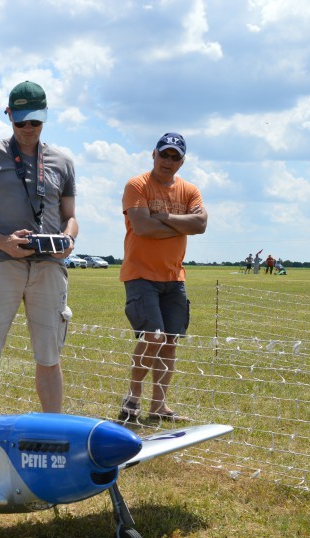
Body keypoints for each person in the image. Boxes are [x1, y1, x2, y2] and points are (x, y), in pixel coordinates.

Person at [0, 80, 78, 413]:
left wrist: (67, 239)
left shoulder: (62, 160)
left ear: (45, 117)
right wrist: (4, 243)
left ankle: (54, 430)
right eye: (20, 120)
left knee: (49, 358)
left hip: (49, 268)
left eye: (35, 121)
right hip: (0, 264)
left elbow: (71, 217)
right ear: (8, 114)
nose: (28, 128)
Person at [118, 132, 207, 423]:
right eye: (164, 154)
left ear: (182, 161)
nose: (168, 161)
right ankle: (132, 399)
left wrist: (163, 217)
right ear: (153, 155)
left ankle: (159, 405)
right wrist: (183, 225)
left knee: (170, 341)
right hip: (140, 274)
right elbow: (142, 228)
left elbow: (201, 223)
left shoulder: (190, 190)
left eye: (175, 156)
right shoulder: (137, 185)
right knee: (153, 336)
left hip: (174, 277)